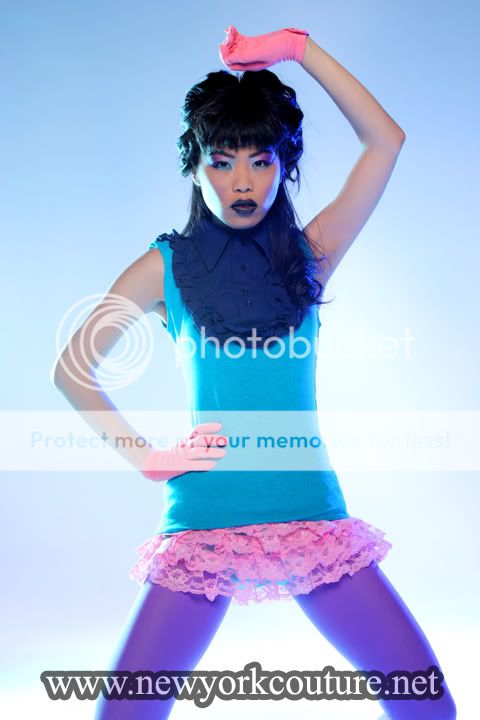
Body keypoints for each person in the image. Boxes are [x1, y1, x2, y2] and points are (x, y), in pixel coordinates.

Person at [52, 26, 456, 720]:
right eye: (222, 161)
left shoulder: (311, 253)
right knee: (123, 714)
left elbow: (385, 142)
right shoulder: (165, 267)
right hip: (204, 524)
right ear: (194, 166)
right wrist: (147, 458)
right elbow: (72, 371)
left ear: (282, 166)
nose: (242, 181)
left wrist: (298, 49)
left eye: (261, 160)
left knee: (427, 706)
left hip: (312, 519)